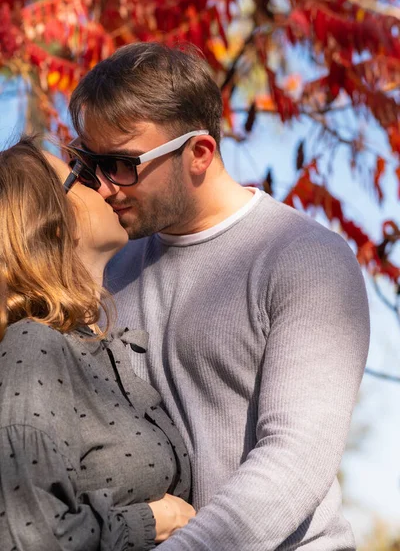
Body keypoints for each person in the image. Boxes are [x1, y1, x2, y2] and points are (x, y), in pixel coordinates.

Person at [68, 42, 370, 550]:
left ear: (199, 154)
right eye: (87, 161)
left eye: (121, 164)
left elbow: (295, 460)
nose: (102, 187)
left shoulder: (306, 260)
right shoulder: (106, 275)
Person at [0, 137, 195, 551]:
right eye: (83, 177)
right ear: (53, 223)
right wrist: (151, 521)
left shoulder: (92, 347)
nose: (105, 188)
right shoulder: (32, 346)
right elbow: (24, 535)